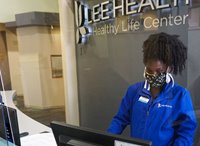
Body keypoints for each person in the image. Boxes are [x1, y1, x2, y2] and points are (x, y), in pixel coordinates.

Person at [107, 32, 197, 146]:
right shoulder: (134, 91)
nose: (153, 74)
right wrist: (108, 139)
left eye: (159, 71)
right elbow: (119, 120)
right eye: (150, 70)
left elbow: (186, 133)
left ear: (168, 68)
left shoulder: (180, 95)